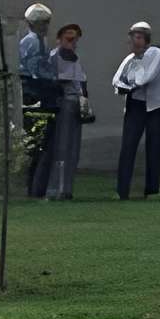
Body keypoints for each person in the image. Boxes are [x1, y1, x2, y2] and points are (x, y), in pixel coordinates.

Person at [111, 22, 160, 199]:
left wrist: (129, 86)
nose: (134, 41)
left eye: (138, 37)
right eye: (132, 37)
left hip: (158, 107)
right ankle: (122, 191)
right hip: (136, 106)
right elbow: (116, 80)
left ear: (146, 40)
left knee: (154, 147)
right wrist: (124, 86)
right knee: (128, 146)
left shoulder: (155, 53)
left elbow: (146, 77)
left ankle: (152, 190)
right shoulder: (129, 59)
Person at [15, 3, 61, 198]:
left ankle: (36, 188)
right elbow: (35, 69)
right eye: (43, 23)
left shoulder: (37, 41)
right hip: (36, 93)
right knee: (40, 144)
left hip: (36, 91)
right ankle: (34, 189)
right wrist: (52, 80)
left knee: (40, 144)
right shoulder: (33, 42)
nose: (46, 27)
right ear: (33, 24)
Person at [44, 23, 90, 199]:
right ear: (59, 39)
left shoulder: (75, 57)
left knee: (73, 148)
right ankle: (56, 189)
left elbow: (81, 82)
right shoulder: (55, 57)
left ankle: (67, 188)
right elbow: (54, 81)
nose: (73, 42)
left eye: (75, 38)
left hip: (77, 104)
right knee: (61, 147)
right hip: (63, 103)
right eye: (69, 38)